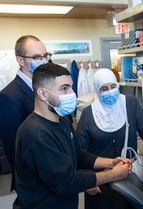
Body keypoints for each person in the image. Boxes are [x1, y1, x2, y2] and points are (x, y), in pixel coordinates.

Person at [14, 63, 131, 209]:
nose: (71, 93)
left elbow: (79, 156)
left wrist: (110, 163)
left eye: (71, 86)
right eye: (64, 88)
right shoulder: (35, 133)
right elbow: (67, 182)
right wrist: (114, 174)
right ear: (43, 94)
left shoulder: (62, 120)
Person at [76, 68, 143, 209]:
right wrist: (87, 179)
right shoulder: (88, 114)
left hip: (128, 176)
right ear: (97, 90)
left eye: (113, 86)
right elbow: (79, 152)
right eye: (104, 89)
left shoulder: (130, 103)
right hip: (100, 182)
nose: (110, 92)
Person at [0, 35, 50, 191]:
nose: (43, 60)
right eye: (36, 57)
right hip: (33, 182)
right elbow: (15, 148)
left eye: (45, 56)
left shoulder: (46, 87)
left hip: (54, 172)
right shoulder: (9, 96)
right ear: (21, 61)